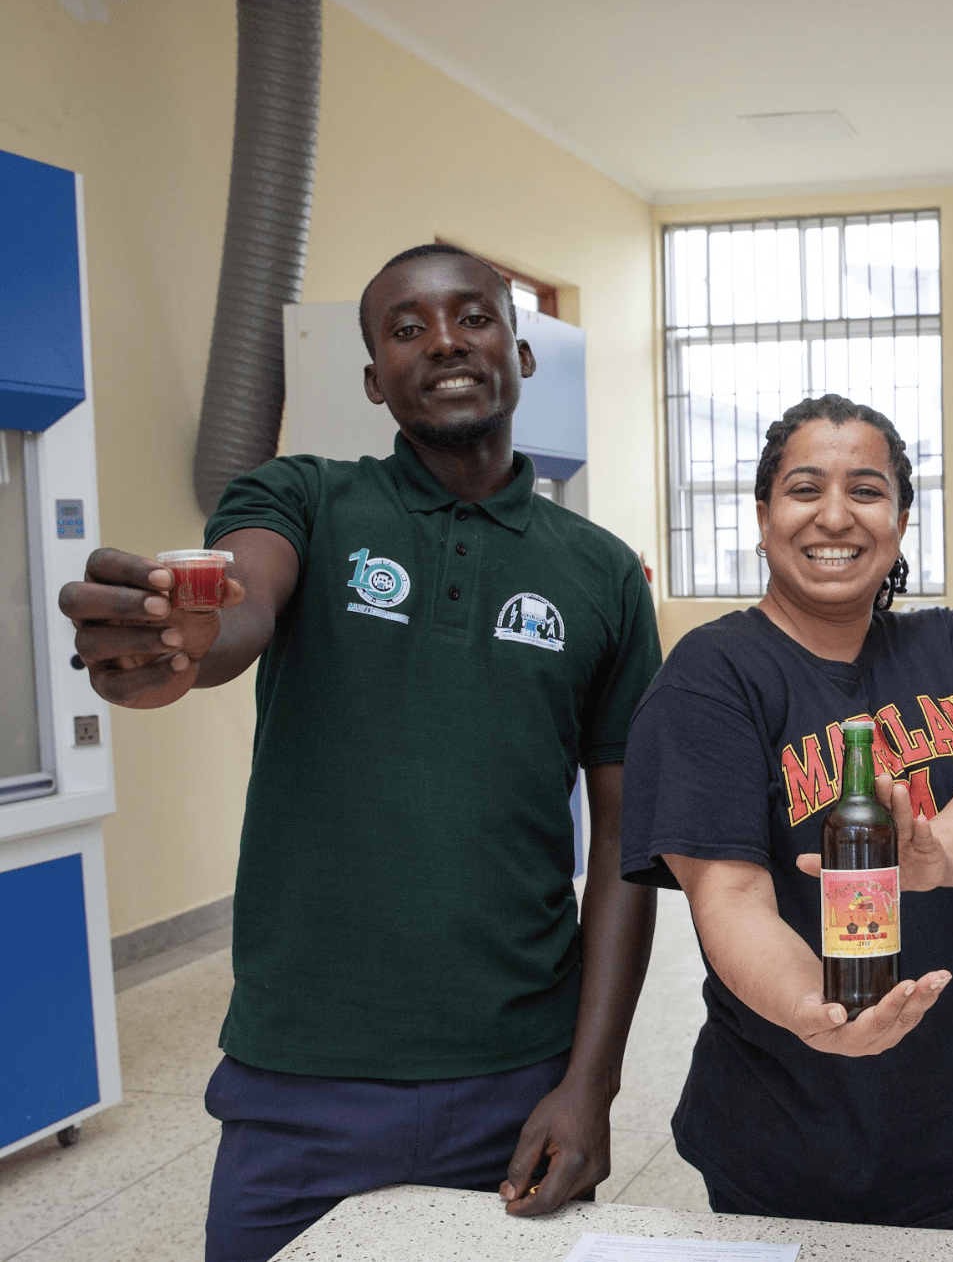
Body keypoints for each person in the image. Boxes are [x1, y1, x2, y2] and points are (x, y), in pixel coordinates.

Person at [59, 244, 662, 1262]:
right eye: (406, 328)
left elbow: (623, 840)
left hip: (514, 1073)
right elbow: (239, 607)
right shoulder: (304, 499)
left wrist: (589, 1083)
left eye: (470, 318)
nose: (444, 343)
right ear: (375, 381)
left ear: (518, 352)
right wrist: (179, 642)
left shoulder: (600, 574)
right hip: (300, 1078)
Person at [620, 396, 953, 1231]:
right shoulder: (714, 673)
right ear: (763, 515)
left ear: (898, 520)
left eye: (867, 489)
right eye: (804, 487)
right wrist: (817, 1013)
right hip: (785, 1130)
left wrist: (937, 854)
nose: (834, 514)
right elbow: (730, 898)